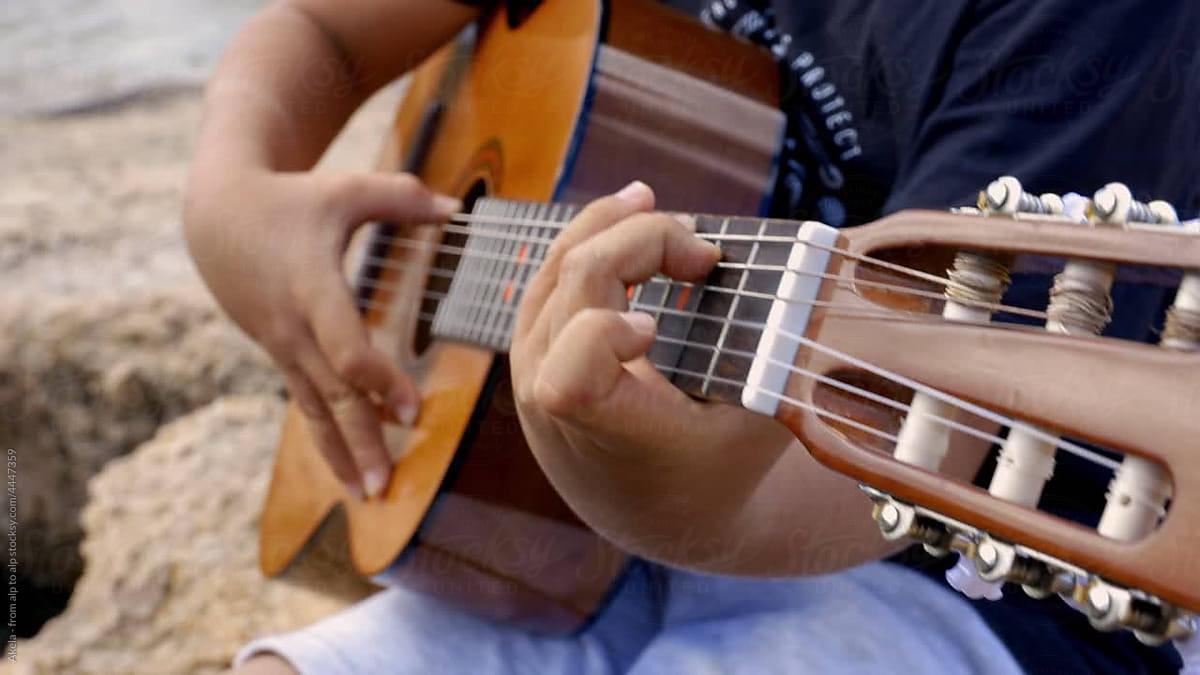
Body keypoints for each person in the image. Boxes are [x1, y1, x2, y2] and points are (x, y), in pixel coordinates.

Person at [183, 1, 1196, 673]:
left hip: (977, 586)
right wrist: (230, 197)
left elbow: (906, 454)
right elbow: (320, 28)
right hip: (577, 532)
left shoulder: (1082, 22)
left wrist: (659, 496)